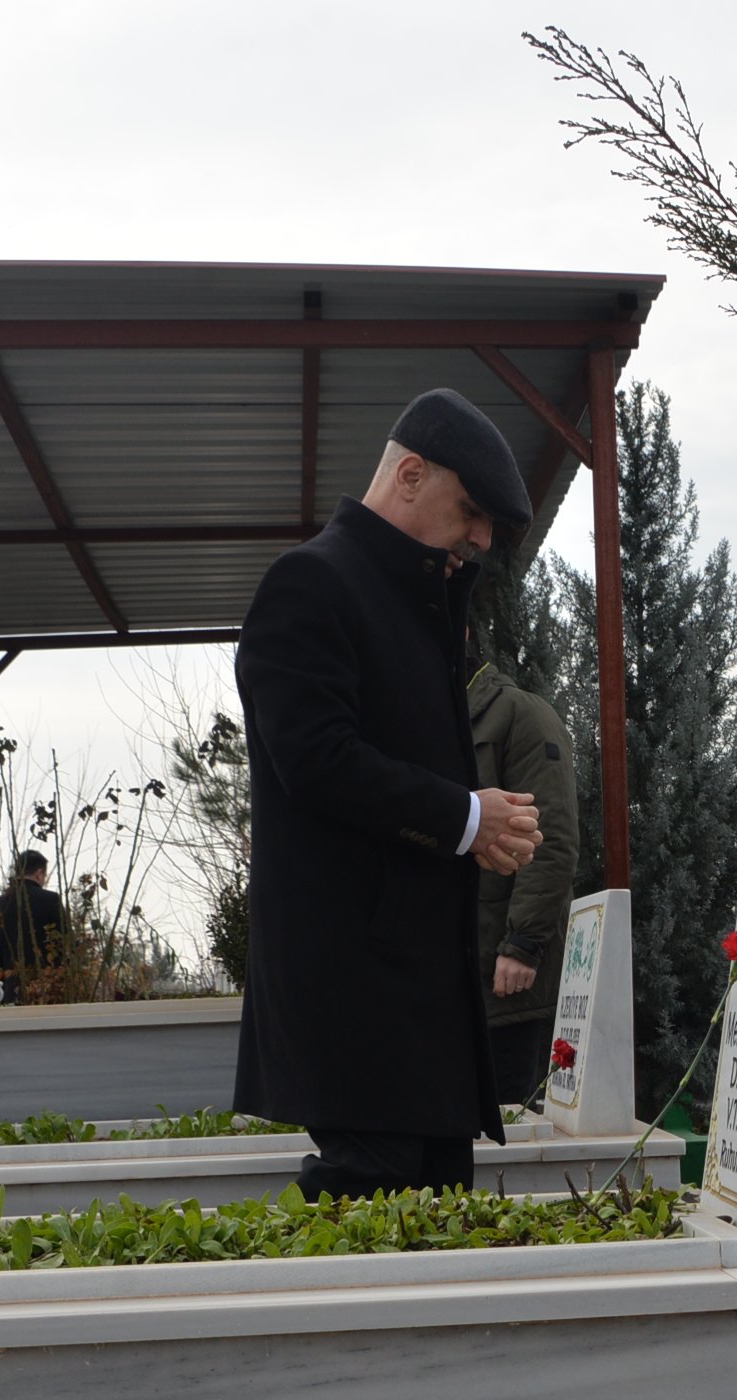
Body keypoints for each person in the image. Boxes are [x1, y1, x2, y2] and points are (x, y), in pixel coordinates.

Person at [232, 389, 543, 1199]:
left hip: (414, 985)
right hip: (354, 988)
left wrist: (469, 820)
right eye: (470, 511)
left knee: (436, 1202)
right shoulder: (310, 582)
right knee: (371, 1200)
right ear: (410, 474)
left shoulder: (413, 601)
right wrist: (468, 816)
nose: (479, 539)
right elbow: (317, 758)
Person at [469, 649, 579, 1106]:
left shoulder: (521, 715)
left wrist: (522, 944)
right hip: (446, 965)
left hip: (502, 969)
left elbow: (548, 837)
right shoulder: (430, 718)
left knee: (502, 1130)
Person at [0, 851, 65, 994]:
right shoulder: (51, 900)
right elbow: (65, 944)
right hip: (49, 988)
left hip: (10, 988)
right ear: (39, 873)